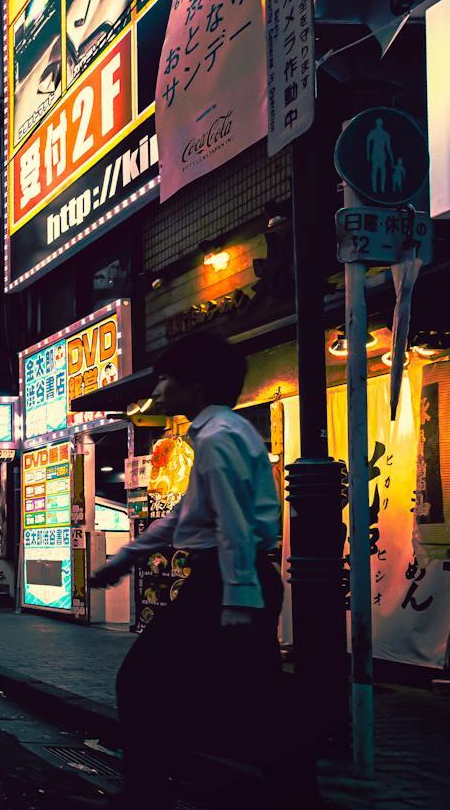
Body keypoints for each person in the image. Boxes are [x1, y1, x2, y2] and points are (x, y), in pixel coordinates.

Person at [89, 331, 295, 808]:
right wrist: (125, 558)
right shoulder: (220, 433)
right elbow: (188, 513)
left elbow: (234, 520)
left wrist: (238, 595)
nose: (157, 388)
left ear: (195, 385)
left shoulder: (219, 437)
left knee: (142, 681)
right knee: (257, 700)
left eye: (164, 378)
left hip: (227, 579)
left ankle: (146, 793)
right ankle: (286, 792)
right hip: (232, 579)